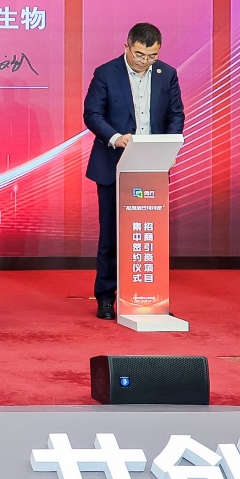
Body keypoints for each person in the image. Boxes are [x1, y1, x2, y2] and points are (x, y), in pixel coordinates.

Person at [83, 22, 185, 320]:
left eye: (152, 56)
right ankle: (106, 297)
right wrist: (116, 138)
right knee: (111, 235)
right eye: (140, 54)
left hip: (151, 165)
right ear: (127, 46)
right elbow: (92, 114)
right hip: (112, 164)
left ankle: (149, 295)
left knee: (150, 233)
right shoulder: (106, 73)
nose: (145, 61)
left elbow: (176, 115)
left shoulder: (167, 74)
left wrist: (169, 148)